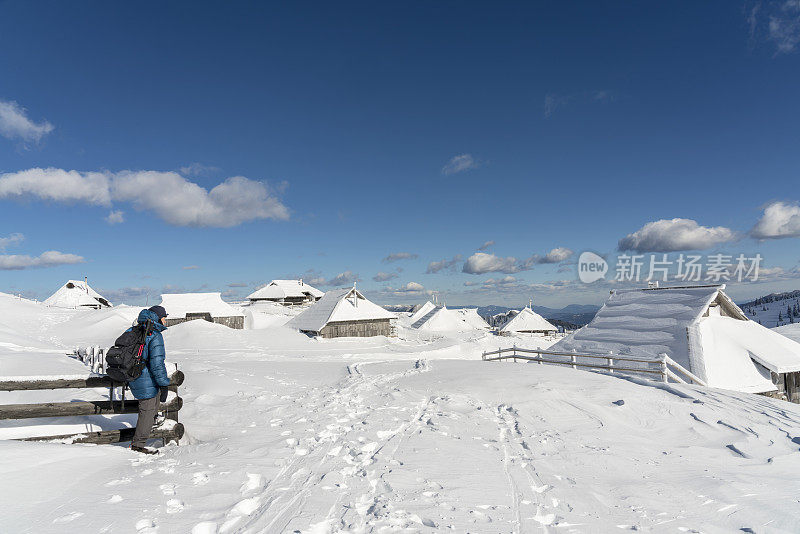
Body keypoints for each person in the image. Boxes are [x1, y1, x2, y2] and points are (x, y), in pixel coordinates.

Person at [128, 305, 171, 454]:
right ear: (158, 317)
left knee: (148, 409)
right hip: (145, 378)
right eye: (164, 317)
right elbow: (157, 364)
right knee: (147, 410)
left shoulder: (135, 329)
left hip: (133, 375)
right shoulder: (154, 334)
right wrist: (164, 384)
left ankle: (150, 427)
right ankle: (137, 446)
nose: (165, 320)